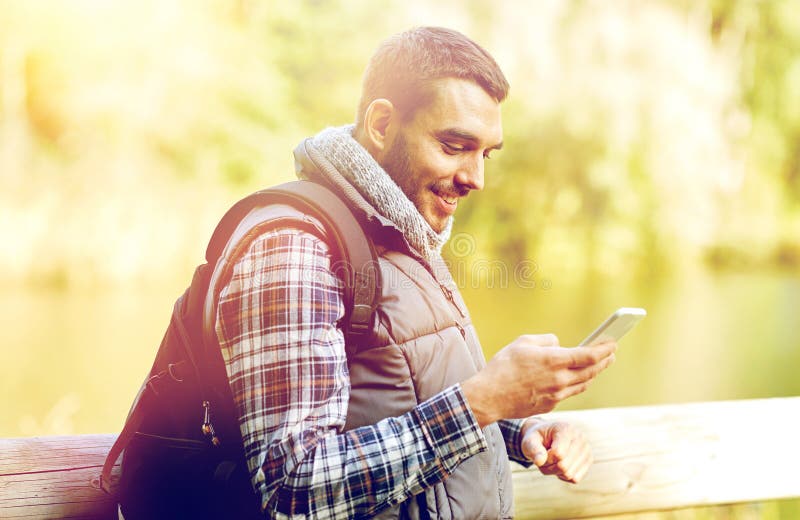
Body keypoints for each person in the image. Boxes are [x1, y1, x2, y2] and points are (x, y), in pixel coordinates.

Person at [215, 26, 617, 518]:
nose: (477, 179)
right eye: (454, 146)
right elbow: (292, 489)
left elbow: (407, 403)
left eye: (485, 153)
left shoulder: (402, 229)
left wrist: (522, 427)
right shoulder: (294, 248)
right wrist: (483, 403)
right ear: (382, 124)